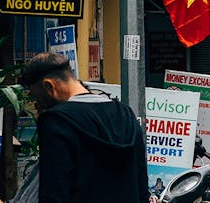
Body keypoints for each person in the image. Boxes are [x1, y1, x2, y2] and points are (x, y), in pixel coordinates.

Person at [19, 52, 147, 203]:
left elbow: (53, 194)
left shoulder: (56, 122)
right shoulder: (126, 115)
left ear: (49, 86)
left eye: (38, 99)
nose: (39, 106)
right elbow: (142, 190)